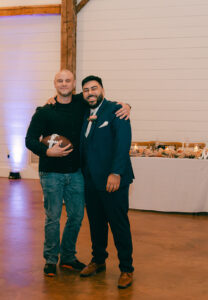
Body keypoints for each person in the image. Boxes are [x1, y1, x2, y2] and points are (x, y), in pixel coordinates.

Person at [25, 70, 131, 277]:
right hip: (52, 173)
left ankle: (68, 257)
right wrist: (47, 151)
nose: (64, 84)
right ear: (54, 83)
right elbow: (29, 140)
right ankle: (50, 259)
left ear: (73, 84)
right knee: (53, 218)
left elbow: (107, 107)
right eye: (59, 81)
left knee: (77, 217)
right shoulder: (44, 111)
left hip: (76, 174)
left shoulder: (82, 104)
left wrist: (127, 106)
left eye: (68, 81)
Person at [79, 75, 135, 289]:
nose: (90, 92)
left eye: (94, 88)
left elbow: (123, 143)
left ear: (102, 89)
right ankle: (98, 260)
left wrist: (116, 173)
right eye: (86, 90)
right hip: (90, 181)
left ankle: (127, 269)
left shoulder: (116, 110)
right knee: (96, 223)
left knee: (118, 224)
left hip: (113, 180)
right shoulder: (83, 112)